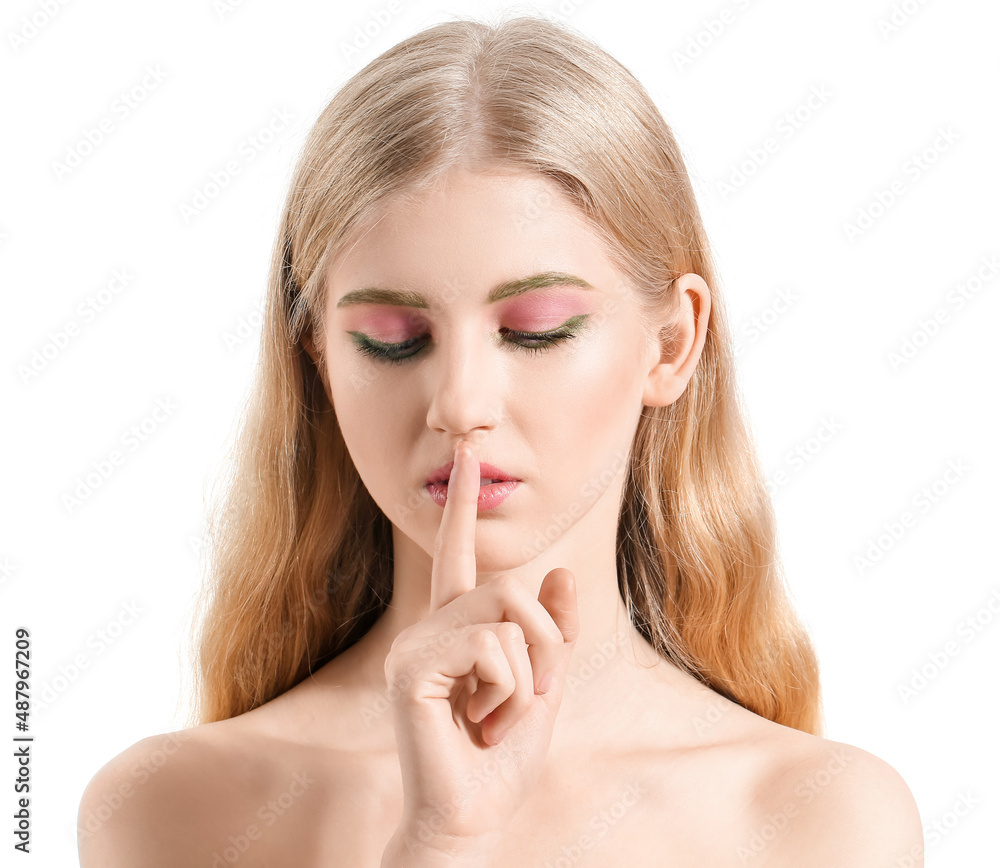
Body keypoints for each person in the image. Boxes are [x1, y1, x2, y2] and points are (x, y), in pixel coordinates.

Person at [78, 13, 923, 867]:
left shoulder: (823, 821)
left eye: (536, 330)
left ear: (672, 344)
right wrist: (443, 842)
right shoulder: (170, 809)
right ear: (321, 362)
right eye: (392, 339)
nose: (459, 404)